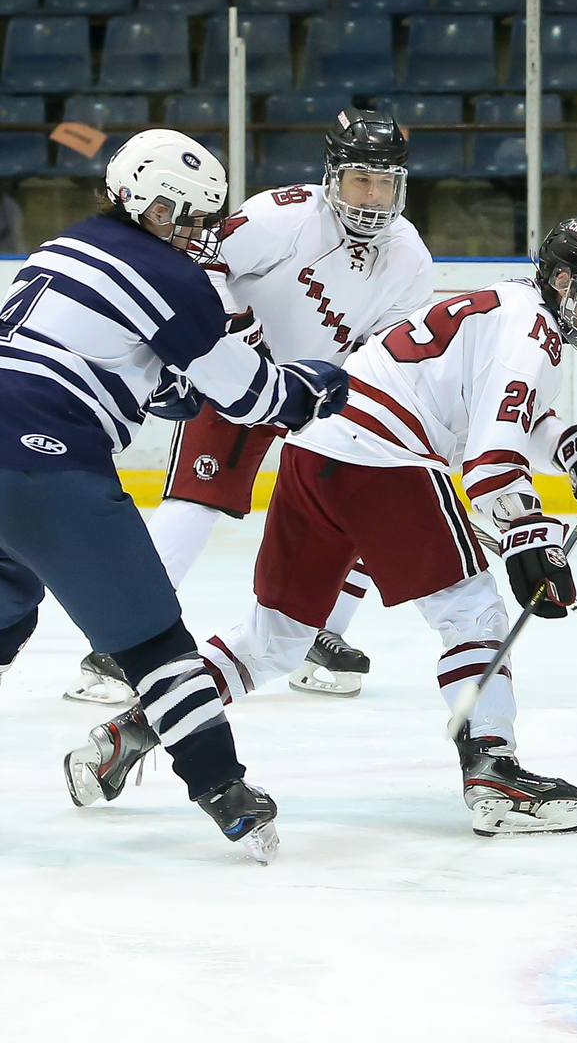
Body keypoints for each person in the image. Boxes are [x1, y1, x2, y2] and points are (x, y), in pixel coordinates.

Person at [79, 216, 577, 837]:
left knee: (276, 639)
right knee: (472, 614)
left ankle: (131, 729)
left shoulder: (511, 306)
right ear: (565, 281)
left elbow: (500, 417)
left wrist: (574, 443)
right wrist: (528, 534)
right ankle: (493, 771)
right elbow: (490, 458)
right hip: (384, 458)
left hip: (316, 446)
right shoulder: (532, 330)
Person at [0, 129, 351, 860]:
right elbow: (254, 398)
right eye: (173, 212)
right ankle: (223, 788)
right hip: (46, 464)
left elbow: (86, 346)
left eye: (198, 218)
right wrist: (309, 387)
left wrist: (159, 383)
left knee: (3, 613)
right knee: (155, 645)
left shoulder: (61, 245)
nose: (187, 231)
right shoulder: (177, 279)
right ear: (133, 196)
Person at [66, 108, 435, 706]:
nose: (372, 196)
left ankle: (320, 633)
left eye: (384, 182)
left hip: (319, 393)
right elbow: (199, 260)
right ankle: (118, 643)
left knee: (362, 506)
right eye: (359, 180)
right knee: (196, 500)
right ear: (332, 174)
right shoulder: (281, 213)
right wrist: (227, 329)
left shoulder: (410, 256)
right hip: (241, 377)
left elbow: (389, 347)